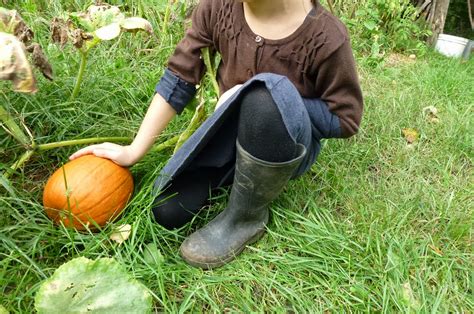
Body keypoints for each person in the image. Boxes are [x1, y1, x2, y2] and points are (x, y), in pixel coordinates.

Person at [70, 0, 363, 269]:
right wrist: (134, 150)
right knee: (166, 210)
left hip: (284, 147)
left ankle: (245, 217)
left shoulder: (327, 37)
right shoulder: (219, 8)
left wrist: (259, 93)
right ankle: (228, 174)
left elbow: (345, 119)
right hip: (227, 137)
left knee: (264, 95)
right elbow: (180, 76)